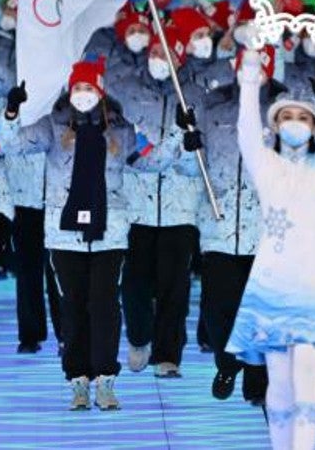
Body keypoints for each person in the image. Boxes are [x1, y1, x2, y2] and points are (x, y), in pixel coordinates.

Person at [226, 37, 315, 450]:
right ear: (275, 125)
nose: (294, 122)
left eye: (302, 117)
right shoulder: (264, 164)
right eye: (285, 116)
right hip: (271, 280)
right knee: (280, 386)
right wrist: (250, 65)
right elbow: (246, 129)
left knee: (308, 380)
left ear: (314, 126)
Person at [0, 60, 140, 412]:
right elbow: (13, 144)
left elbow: (149, 159)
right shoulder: (53, 127)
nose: (83, 95)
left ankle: (106, 379)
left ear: (101, 92)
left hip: (109, 233)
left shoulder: (120, 131)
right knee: (73, 307)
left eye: (89, 88)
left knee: (105, 306)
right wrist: (12, 112)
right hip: (64, 235)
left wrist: (179, 140)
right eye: (77, 88)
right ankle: (78, 381)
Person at [0, 0, 63, 354]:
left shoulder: (61, 85)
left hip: (58, 194)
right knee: (28, 271)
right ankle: (30, 334)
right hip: (23, 196)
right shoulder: (8, 84)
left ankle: (66, 330)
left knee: (60, 270)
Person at [116, 19, 206, 379]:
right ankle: (139, 338)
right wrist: (167, 146)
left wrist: (186, 148)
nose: (158, 59)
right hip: (136, 208)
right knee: (134, 284)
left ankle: (168, 355)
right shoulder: (128, 92)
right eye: (155, 52)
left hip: (180, 209)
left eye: (166, 54)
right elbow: (127, 149)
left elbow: (198, 160)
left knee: (174, 288)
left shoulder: (195, 98)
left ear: (179, 58)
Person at [197, 46, 279, 406]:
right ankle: (227, 364)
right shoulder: (213, 109)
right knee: (220, 310)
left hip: (265, 230)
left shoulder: (282, 113)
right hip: (219, 227)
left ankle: (258, 384)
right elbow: (189, 158)